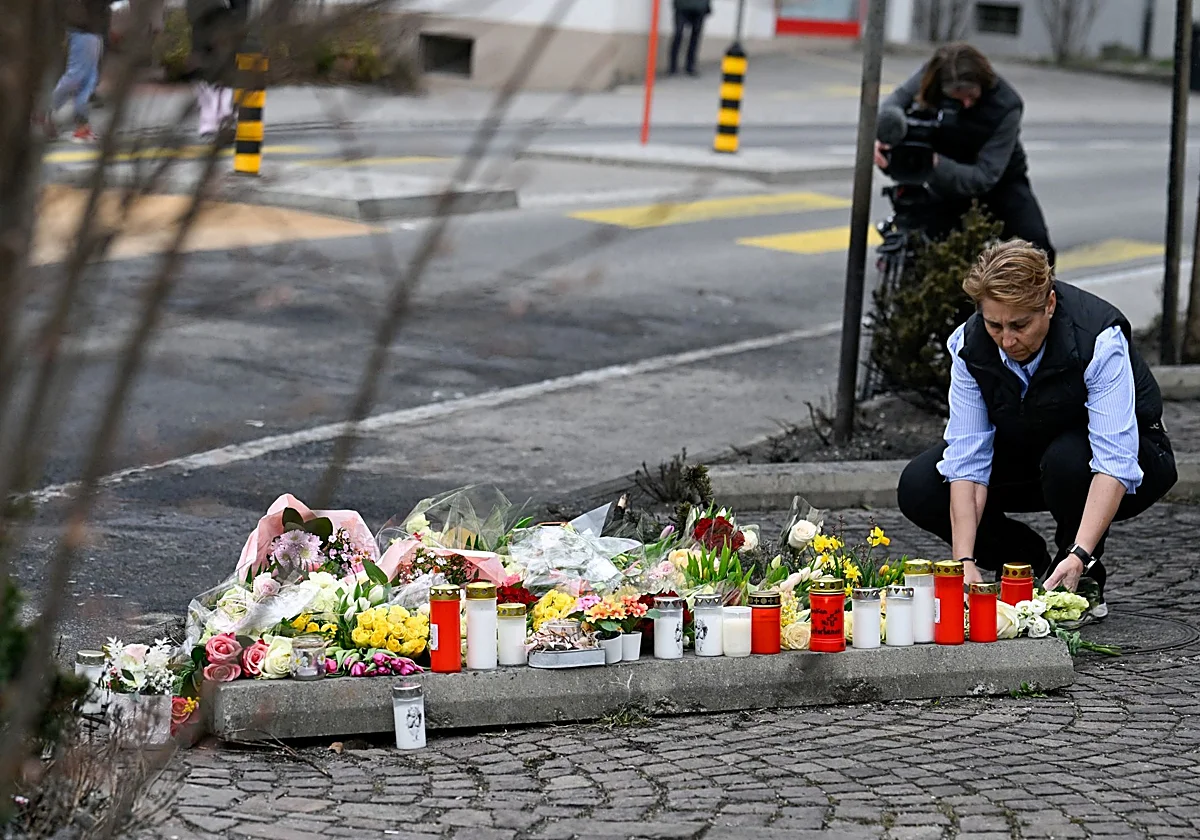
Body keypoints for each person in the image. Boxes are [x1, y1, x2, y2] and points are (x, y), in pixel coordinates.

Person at [897, 241, 1177, 626]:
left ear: (1048, 304)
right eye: (995, 325)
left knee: (1067, 459)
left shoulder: (1097, 337)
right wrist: (963, 560)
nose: (1007, 341)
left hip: (1130, 463)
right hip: (1030, 451)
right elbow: (967, 461)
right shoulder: (969, 345)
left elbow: (1114, 462)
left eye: (1020, 325)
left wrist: (1080, 553)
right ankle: (1022, 560)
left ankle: (1078, 577)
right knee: (921, 484)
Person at [874, 43, 1056, 265]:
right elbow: (892, 105)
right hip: (943, 185)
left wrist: (936, 164)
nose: (966, 104)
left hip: (1000, 184)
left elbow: (984, 176)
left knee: (1037, 253)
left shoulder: (1007, 106)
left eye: (971, 96)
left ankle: (1044, 297)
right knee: (930, 254)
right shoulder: (932, 76)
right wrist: (886, 136)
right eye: (957, 97)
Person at [45, 0, 121, 143]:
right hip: (84, 28)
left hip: (92, 28)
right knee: (77, 76)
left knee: (88, 80)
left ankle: (82, 127)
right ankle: (44, 112)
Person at [186, 0, 248, 140]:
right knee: (203, 58)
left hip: (227, 15)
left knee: (226, 60)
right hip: (204, 13)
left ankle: (224, 112)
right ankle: (211, 115)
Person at [669, 0, 710, 77]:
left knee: (694, 37)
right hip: (683, 6)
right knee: (679, 34)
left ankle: (689, 66)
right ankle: (673, 66)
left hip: (698, 7)